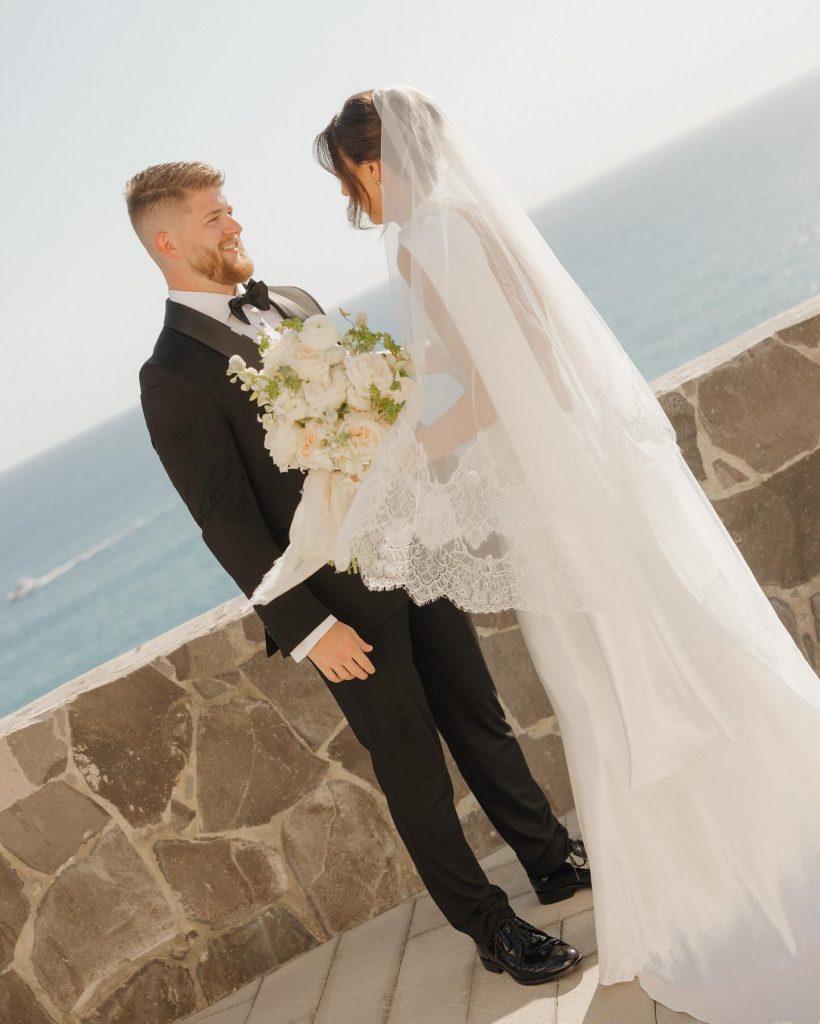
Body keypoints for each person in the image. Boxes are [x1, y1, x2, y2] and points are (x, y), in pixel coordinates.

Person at [312, 86, 820, 1024]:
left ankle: (704, 887)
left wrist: (400, 456)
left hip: (555, 498)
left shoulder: (427, 240)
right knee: (681, 640)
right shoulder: (474, 220)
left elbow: (498, 386)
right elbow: (532, 353)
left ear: (371, 165)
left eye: (352, 180)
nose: (359, 201)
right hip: (596, 473)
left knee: (606, 680)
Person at [126, 161, 590, 987]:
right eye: (212, 219)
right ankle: (490, 928)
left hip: (406, 547)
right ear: (167, 242)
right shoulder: (170, 375)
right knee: (413, 763)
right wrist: (308, 630)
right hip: (338, 603)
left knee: (478, 716)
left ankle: (551, 860)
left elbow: (373, 423)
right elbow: (226, 518)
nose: (233, 226)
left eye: (230, 209)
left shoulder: (295, 304)